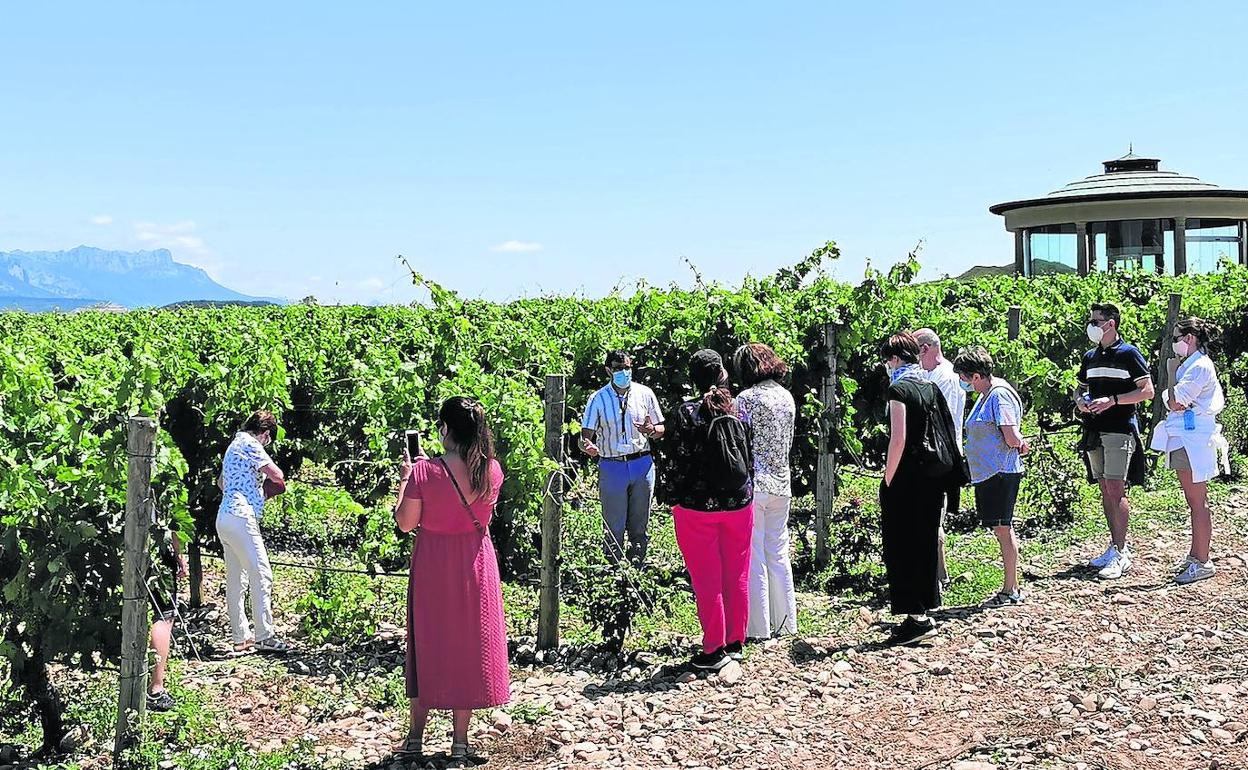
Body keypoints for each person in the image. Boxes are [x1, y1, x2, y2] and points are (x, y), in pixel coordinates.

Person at [394, 397, 509, 762]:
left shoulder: (424, 472)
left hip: (432, 563)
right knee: (469, 646)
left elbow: (405, 522)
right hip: (476, 562)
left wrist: (404, 481)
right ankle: (460, 741)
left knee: (427, 643)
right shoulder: (491, 470)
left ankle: (415, 737)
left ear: (445, 429)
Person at [668, 350, 755, 671]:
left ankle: (713, 649)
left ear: (693, 378)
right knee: (737, 574)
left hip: (696, 510)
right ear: (722, 374)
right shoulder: (739, 412)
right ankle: (736, 643)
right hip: (739, 504)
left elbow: (675, 463)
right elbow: (749, 460)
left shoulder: (685, 413)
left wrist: (674, 496)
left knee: (707, 580)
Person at [878, 332, 956, 645]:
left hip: (907, 479)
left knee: (902, 545)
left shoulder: (898, 389)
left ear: (895, 358)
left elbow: (898, 438)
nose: (886, 365)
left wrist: (887, 478)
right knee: (924, 542)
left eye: (887, 359)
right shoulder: (929, 386)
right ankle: (924, 610)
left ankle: (914, 616)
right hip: (932, 478)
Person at [1149, 318, 1232, 585]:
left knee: (1197, 501)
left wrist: (1171, 375)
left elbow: (1174, 401)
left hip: (1192, 439)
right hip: (1186, 436)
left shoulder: (1198, 366)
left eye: (1177, 337)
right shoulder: (1192, 365)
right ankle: (1196, 554)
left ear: (1190, 339)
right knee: (1194, 500)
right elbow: (1175, 401)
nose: (1174, 343)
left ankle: (1202, 560)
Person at [1076, 303, 1154, 580]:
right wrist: (1081, 402)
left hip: (1120, 429)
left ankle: (1121, 552)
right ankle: (1113, 546)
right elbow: (1081, 388)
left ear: (1111, 324)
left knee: (1116, 487)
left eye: (1095, 321)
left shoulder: (1129, 354)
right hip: (1094, 430)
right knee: (1105, 489)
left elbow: (1147, 391)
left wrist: (1114, 401)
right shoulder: (1090, 356)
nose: (1091, 325)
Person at [953, 347, 1029, 606]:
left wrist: (1021, 443)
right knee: (1000, 529)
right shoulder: (987, 395)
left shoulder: (999, 396)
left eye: (964, 377)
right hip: (989, 472)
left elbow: (1010, 434)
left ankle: (1011, 588)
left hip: (1000, 471)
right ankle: (1011, 586)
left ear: (975, 376)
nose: (963, 383)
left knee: (1004, 530)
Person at [732, 343, 798, 640]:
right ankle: (786, 623)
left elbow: (738, 442)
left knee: (754, 554)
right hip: (781, 482)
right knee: (779, 553)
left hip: (754, 483)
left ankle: (758, 628)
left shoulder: (745, 399)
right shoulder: (786, 397)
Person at [580, 350, 665, 565]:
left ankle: (638, 564)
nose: (624, 372)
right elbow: (585, 436)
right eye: (619, 368)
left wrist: (652, 429)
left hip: (641, 463)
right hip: (612, 464)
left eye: (627, 368)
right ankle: (613, 570)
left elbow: (660, 428)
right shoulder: (597, 398)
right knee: (613, 524)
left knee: (640, 521)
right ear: (609, 370)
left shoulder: (645, 393)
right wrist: (587, 446)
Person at [215, 410, 289, 654]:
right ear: (265, 434)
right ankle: (264, 636)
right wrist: (263, 491)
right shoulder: (251, 443)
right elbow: (277, 475)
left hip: (225, 514)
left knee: (237, 579)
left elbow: (221, 483)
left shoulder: (233, 446)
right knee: (262, 574)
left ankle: (240, 637)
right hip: (242, 516)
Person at [915, 328, 966, 589]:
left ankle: (938, 577)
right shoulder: (930, 375)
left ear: (925, 349)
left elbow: (934, 419)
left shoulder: (945, 378)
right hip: (933, 454)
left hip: (940, 455)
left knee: (933, 516)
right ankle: (935, 574)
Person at [145, 518, 188, 712]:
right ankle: (155, 688)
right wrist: (178, 555)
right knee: (164, 616)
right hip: (157, 553)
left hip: (126, 550)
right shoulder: (162, 488)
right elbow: (174, 520)